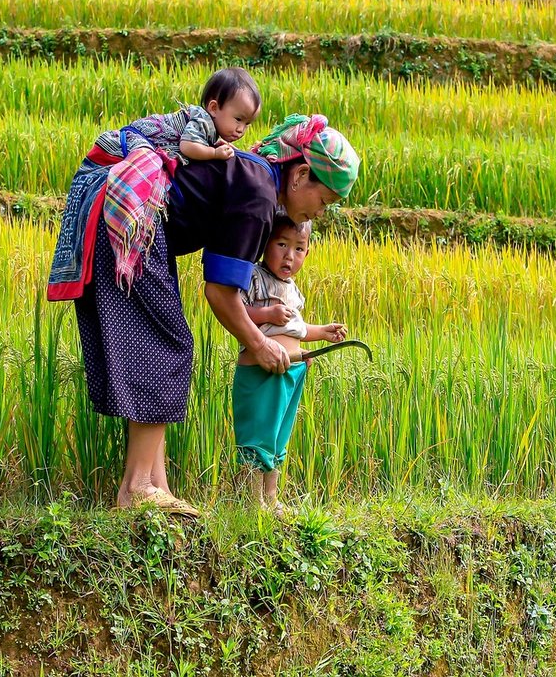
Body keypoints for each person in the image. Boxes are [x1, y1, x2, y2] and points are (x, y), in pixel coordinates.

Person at [48, 109, 359, 516]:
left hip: (131, 217)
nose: (321, 212)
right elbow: (220, 293)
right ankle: (138, 486)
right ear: (300, 175)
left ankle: (153, 485)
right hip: (133, 219)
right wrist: (259, 343)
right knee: (167, 346)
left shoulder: (255, 180)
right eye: (325, 200)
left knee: (160, 344)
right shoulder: (260, 195)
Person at [233, 213, 347, 514]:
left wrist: (323, 332)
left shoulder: (293, 289)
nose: (289, 256)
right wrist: (266, 314)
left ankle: (271, 498)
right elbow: (237, 310)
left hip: (293, 371)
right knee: (258, 434)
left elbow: (298, 329)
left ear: (307, 252)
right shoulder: (254, 277)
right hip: (261, 370)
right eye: (282, 244)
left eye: (298, 248)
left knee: (278, 437)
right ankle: (252, 502)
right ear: (265, 243)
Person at [91, 67, 259, 166]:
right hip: (144, 137)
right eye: (238, 119)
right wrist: (214, 153)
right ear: (214, 108)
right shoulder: (202, 121)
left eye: (247, 124)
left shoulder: (210, 127)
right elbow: (188, 146)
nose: (241, 129)